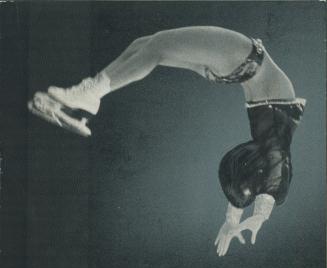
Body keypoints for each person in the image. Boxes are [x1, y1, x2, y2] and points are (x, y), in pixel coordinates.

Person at [28, 26, 306, 254]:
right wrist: (241, 218)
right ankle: (91, 92)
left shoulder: (273, 148)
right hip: (239, 68)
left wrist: (248, 217)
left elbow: (268, 176)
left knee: (156, 47)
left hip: (246, 59)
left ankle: (91, 94)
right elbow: (265, 179)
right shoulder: (271, 151)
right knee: (146, 44)